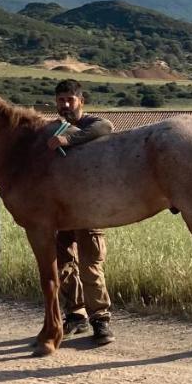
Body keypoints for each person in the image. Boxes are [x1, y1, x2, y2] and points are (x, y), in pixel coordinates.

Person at [47, 79, 116, 345]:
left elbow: (106, 127)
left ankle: (101, 320)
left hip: (88, 209)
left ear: (81, 101)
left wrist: (66, 139)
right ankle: (76, 315)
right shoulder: (52, 128)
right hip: (62, 211)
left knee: (90, 265)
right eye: (61, 100)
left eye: (70, 100)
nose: (65, 105)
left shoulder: (90, 124)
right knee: (64, 265)